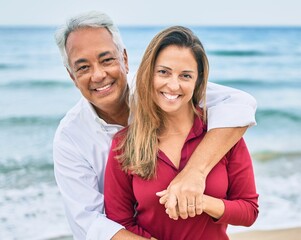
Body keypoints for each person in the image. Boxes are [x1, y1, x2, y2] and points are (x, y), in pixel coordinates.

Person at [53, 11, 257, 240]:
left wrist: (194, 175)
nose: (99, 75)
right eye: (83, 67)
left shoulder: (168, 91)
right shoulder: (74, 139)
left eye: (107, 60)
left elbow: (241, 104)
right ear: (71, 76)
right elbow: (90, 223)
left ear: (125, 59)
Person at [104, 25, 258, 240]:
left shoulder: (222, 133)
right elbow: (119, 221)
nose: (173, 85)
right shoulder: (125, 143)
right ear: (149, 73)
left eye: (185, 76)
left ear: (197, 82)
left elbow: (249, 211)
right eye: (163, 72)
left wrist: (200, 201)